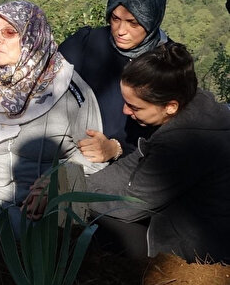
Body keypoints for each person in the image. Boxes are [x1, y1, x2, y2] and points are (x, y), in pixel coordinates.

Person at [0, 0, 171, 163]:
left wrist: (116, 148)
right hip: (75, 153)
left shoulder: (169, 62)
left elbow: (170, 128)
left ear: (151, 22)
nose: (121, 30)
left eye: (133, 23)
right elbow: (41, 63)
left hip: (130, 165)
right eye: (115, 19)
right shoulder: (88, 42)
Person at [0, 1, 104, 232]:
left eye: (10, 32)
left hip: (43, 210)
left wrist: (58, 181)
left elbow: (94, 157)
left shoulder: (70, 90)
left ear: (33, 36)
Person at [81, 43, 230, 263]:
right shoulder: (192, 106)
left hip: (194, 250)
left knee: (84, 227)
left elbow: (130, 205)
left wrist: (67, 198)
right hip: (176, 223)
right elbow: (133, 164)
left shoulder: (185, 142)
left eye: (135, 107)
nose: (125, 111)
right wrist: (73, 185)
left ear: (170, 106)